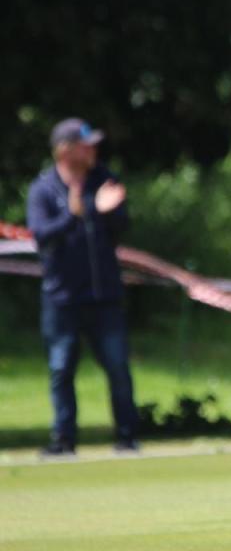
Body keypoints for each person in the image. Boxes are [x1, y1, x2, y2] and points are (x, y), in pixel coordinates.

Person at [27, 118, 139, 456]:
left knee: (118, 366)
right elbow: (41, 236)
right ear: (66, 150)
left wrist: (107, 209)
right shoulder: (44, 188)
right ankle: (64, 440)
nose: (93, 150)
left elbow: (122, 226)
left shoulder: (104, 180)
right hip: (61, 298)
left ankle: (127, 437)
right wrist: (77, 214)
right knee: (61, 369)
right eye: (86, 144)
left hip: (104, 295)